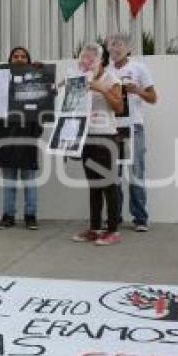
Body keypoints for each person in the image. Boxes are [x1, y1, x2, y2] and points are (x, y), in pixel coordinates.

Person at [72, 44, 125, 246]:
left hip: (106, 137)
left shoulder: (112, 79)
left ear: (100, 60)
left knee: (109, 185)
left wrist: (101, 88)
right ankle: (95, 228)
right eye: (83, 58)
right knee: (94, 185)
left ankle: (112, 230)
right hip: (87, 137)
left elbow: (119, 107)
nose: (85, 62)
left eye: (89, 59)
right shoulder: (82, 79)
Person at [106, 33, 157, 232]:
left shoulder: (139, 68)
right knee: (113, 174)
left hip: (133, 126)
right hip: (110, 127)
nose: (115, 49)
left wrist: (137, 91)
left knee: (136, 172)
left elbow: (153, 97)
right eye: (111, 45)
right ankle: (114, 216)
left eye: (119, 45)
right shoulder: (106, 71)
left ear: (128, 49)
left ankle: (140, 218)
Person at [0, 46, 45, 231]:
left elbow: (43, 104)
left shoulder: (35, 79)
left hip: (28, 136)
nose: (20, 59)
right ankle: (8, 216)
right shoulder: (1, 81)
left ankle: (30, 216)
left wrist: (42, 72)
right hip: (6, 136)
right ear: (10, 60)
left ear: (28, 60)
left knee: (29, 180)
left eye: (24, 56)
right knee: (8, 181)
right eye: (16, 56)